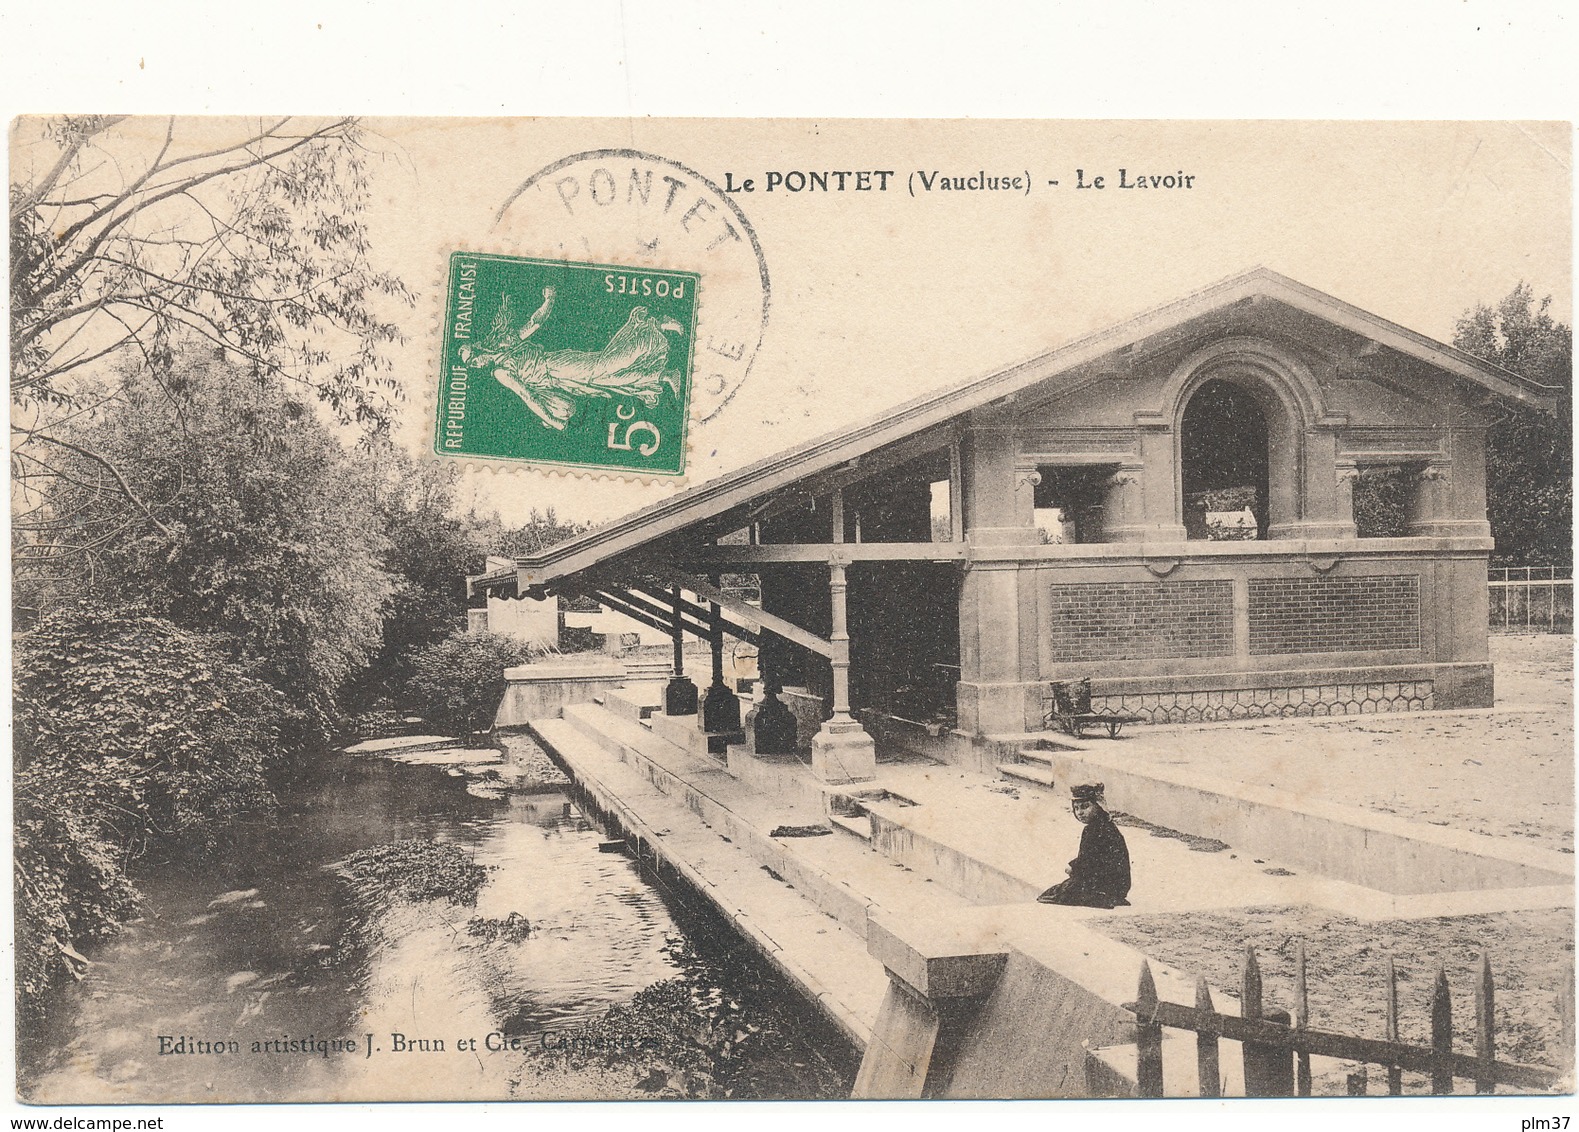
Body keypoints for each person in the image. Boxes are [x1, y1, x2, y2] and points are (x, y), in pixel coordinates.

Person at [1037, 782, 1131, 908]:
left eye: (1085, 807)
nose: (1080, 812)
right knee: (1060, 890)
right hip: (1118, 886)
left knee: (1060, 892)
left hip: (1106, 884)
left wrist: (1073, 868)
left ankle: (1104, 897)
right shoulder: (1104, 825)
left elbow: (1090, 861)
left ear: (1098, 806)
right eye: (1077, 808)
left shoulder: (1095, 829)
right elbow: (1092, 857)